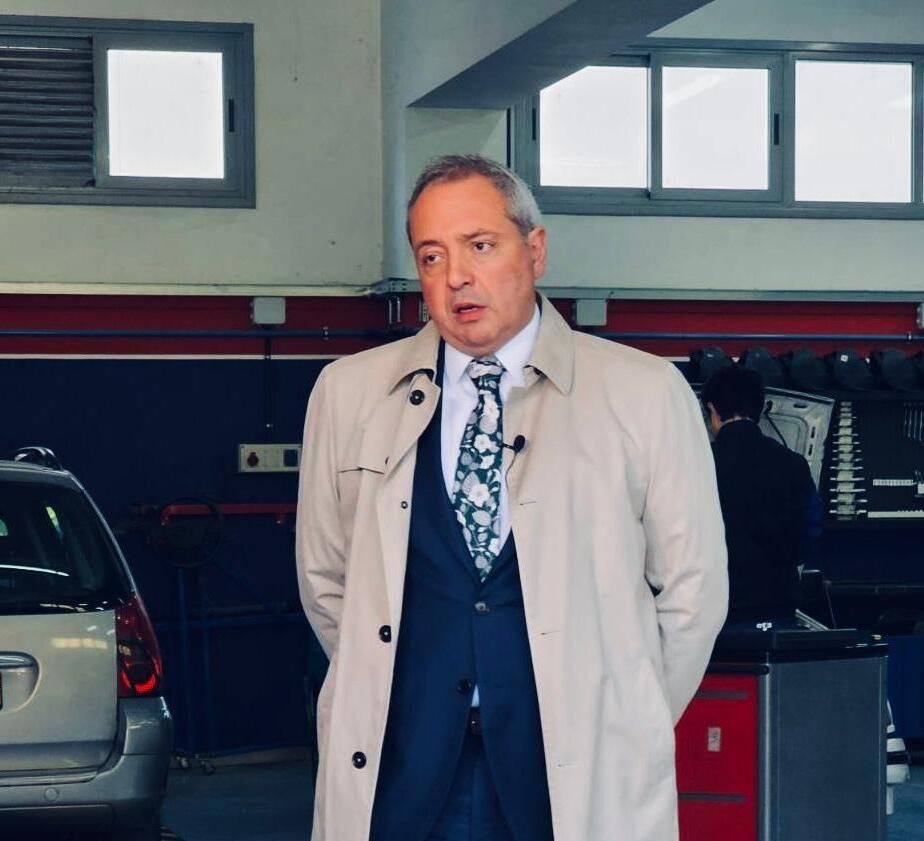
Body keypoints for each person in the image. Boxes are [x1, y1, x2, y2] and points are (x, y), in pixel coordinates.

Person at [296, 154, 728, 841]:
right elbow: (326, 583)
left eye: (480, 245)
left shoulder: (644, 394)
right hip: (402, 772)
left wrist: (621, 715)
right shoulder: (348, 395)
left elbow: (693, 592)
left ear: (536, 250)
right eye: (431, 256)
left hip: (571, 780)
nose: (455, 277)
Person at [702, 364, 821, 626]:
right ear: (760, 407)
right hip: (778, 605)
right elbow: (811, 530)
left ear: (712, 409)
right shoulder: (794, 464)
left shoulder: (697, 463)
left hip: (714, 609)